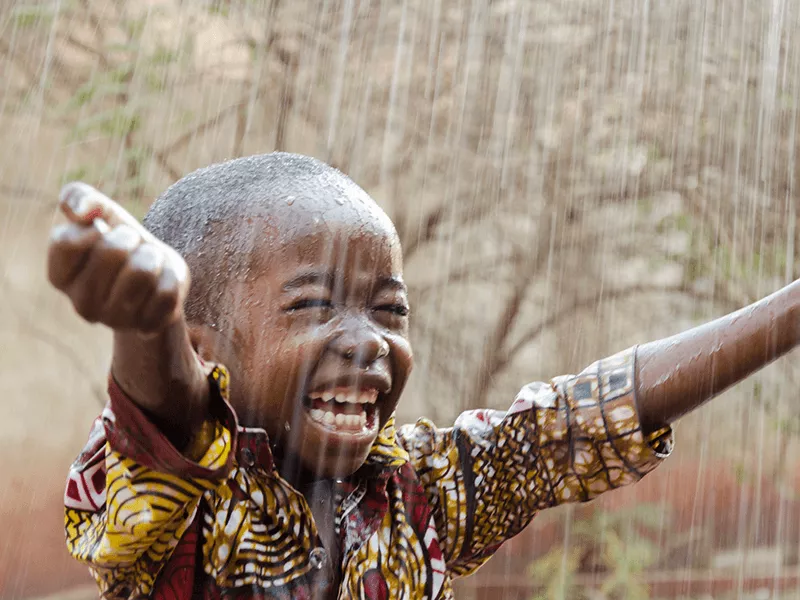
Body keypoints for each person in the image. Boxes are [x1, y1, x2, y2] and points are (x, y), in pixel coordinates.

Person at [50, 153, 799, 599]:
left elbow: (577, 423)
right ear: (203, 346)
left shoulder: (418, 495)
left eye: (389, 311)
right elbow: (167, 423)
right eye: (314, 306)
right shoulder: (170, 511)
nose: (367, 341)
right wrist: (144, 327)